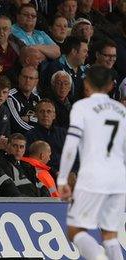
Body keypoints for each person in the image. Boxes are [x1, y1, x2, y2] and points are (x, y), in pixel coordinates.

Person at [58, 65, 126, 260]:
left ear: (86, 84)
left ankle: (98, 257)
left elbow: (71, 144)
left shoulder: (82, 107)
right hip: (118, 177)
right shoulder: (121, 110)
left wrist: (62, 178)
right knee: (110, 235)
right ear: (111, 85)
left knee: (74, 230)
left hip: (93, 175)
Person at [25, 99, 67, 172]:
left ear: (54, 115)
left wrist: (73, 172)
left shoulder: (63, 133)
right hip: (44, 175)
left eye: (49, 111)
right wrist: (55, 172)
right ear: (36, 115)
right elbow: (34, 161)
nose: (45, 115)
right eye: (42, 111)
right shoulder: (30, 135)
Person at [42, 36, 88, 101]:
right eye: (84, 51)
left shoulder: (85, 71)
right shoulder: (56, 67)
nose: (87, 55)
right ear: (74, 51)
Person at [7, 66, 40, 134]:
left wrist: (29, 119)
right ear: (19, 78)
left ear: (36, 82)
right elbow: (17, 124)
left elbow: (43, 120)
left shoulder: (37, 98)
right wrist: (38, 132)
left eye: (31, 78)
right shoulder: (10, 96)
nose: (27, 80)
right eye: (25, 77)